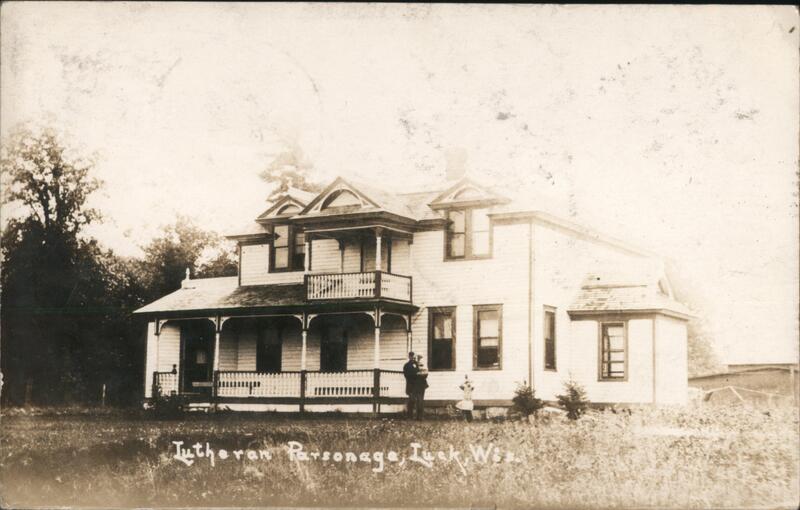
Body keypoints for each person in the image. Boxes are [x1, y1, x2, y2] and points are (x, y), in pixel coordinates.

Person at [403, 352, 419, 418]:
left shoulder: (416, 364)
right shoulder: (406, 365)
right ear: (409, 357)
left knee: (416, 399)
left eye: (413, 356)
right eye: (411, 356)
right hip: (410, 384)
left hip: (416, 384)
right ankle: (410, 414)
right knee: (411, 399)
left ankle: (415, 415)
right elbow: (406, 375)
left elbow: (418, 371)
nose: (412, 357)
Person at [413, 354, 429, 420]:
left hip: (420, 384)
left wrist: (417, 373)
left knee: (420, 400)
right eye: (417, 358)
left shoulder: (421, 365)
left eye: (418, 358)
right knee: (418, 400)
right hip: (416, 384)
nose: (417, 359)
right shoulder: (415, 365)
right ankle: (418, 416)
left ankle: (420, 416)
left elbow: (425, 373)